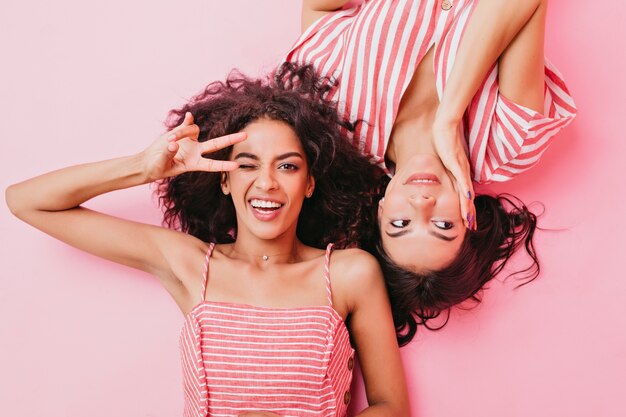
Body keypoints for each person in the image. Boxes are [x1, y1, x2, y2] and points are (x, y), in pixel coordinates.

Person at [5, 64, 409, 417]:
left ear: (309, 184)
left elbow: (392, 406)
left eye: (287, 166)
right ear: (224, 179)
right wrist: (144, 168)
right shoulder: (191, 264)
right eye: (246, 165)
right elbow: (27, 202)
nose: (266, 182)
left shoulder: (349, 273)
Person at [286, 0, 577, 344]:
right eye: (441, 225)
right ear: (469, 219)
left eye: (401, 224)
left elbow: (319, 8)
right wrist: (449, 116)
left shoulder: (336, 117)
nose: (421, 203)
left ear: (380, 212)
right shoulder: (509, 143)